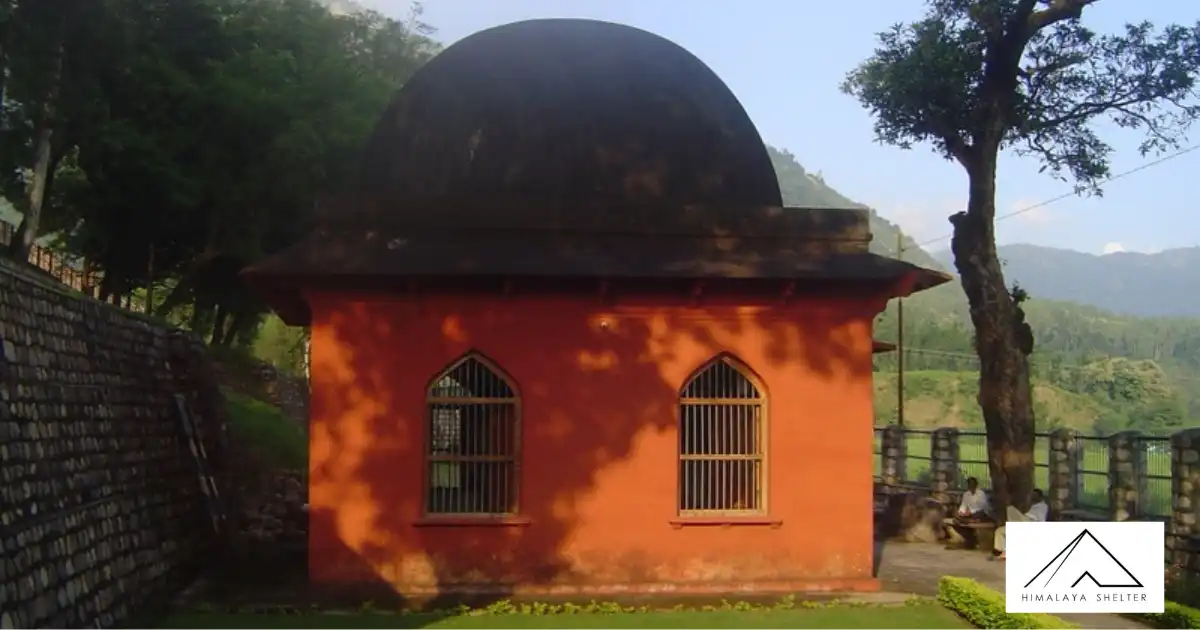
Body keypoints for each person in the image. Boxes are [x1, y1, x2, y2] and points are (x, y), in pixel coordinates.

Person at [992, 489, 1049, 561]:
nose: (1033, 497)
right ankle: (1002, 551)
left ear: (1040, 497)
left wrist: (1026, 515)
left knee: (1011, 510)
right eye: (1032, 495)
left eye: (1035, 496)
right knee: (1000, 530)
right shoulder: (1031, 505)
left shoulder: (1043, 506)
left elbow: (1039, 518)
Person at [945, 477, 993, 549]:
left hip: (980, 513)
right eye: (969, 485)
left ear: (976, 485)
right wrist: (961, 512)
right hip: (969, 516)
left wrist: (970, 512)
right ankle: (969, 522)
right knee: (956, 515)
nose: (971, 487)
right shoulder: (966, 494)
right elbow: (963, 505)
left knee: (978, 513)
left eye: (972, 485)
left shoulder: (981, 494)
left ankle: (968, 521)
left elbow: (982, 506)